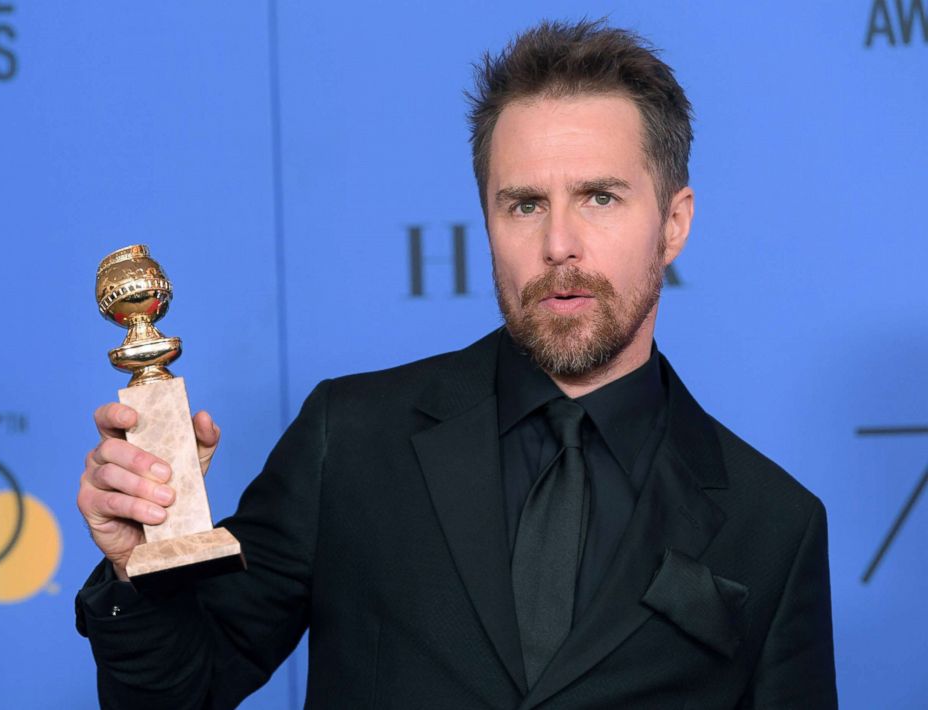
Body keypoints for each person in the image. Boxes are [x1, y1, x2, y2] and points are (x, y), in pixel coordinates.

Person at [76, 19, 837, 709]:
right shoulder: (350, 440)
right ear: (486, 220)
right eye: (525, 204)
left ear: (673, 224)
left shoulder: (772, 524)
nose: (559, 243)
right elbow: (179, 692)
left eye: (600, 198)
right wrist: (136, 569)